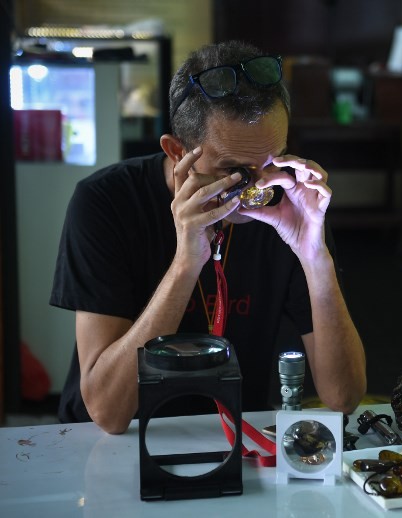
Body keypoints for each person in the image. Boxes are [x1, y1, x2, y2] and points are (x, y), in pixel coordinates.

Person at [51, 40, 367, 434]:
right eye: (234, 171)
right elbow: (107, 413)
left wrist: (315, 257)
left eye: (272, 162)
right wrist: (186, 264)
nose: (258, 188)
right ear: (176, 151)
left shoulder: (289, 203)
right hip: (108, 443)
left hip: (236, 433)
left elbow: (343, 396)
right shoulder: (105, 202)